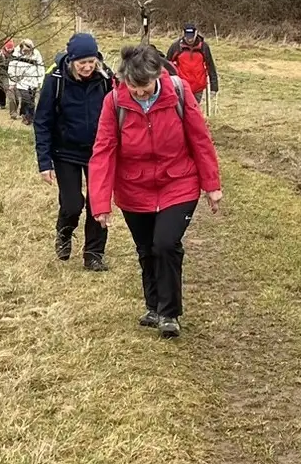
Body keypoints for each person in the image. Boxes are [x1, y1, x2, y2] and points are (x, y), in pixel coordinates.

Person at [88, 44, 222, 339]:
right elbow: (104, 151)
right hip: (134, 187)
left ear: (157, 76)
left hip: (179, 182)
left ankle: (169, 313)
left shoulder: (180, 92)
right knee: (146, 248)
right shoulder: (114, 103)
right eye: (133, 87)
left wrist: (211, 185)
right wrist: (100, 202)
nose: (139, 93)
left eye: (145, 86)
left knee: (165, 244)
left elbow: (200, 139)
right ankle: (153, 307)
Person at [34, 31, 114, 271]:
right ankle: (64, 234)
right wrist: (44, 162)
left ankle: (94, 255)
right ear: (71, 61)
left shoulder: (106, 78)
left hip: (98, 152)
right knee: (72, 204)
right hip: (65, 152)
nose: (87, 67)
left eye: (91, 61)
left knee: (98, 204)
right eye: (82, 63)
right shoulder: (56, 79)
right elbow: (42, 121)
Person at [166, 23, 219, 110]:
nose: (189, 39)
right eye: (187, 36)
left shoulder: (203, 47)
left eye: (191, 36)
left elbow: (210, 66)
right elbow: (167, 65)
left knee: (194, 110)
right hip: (181, 87)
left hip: (198, 87)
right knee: (183, 110)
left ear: (196, 33)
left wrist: (214, 87)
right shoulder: (176, 47)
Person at [8, 39, 44, 122]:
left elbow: (40, 67)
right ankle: (26, 117)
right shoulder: (16, 54)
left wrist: (40, 80)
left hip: (33, 81)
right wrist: (12, 82)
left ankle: (29, 117)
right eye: (24, 50)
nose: (26, 52)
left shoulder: (36, 54)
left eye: (28, 50)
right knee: (26, 99)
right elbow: (12, 69)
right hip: (21, 81)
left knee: (31, 100)